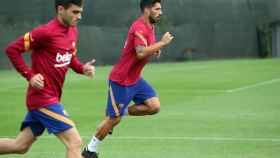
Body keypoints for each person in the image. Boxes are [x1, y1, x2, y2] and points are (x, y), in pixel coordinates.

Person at [0, 0, 95, 158]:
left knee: (20, 145)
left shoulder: (72, 31)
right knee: (75, 142)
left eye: (80, 12)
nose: (79, 16)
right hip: (42, 99)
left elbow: (69, 58)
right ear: (60, 9)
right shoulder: (45, 32)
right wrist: (29, 75)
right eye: (75, 12)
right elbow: (12, 50)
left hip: (51, 98)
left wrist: (82, 68)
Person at [82, 0, 174, 157]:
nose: (161, 12)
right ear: (147, 10)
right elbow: (140, 52)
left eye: (160, 9)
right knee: (114, 120)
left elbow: (145, 48)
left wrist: (155, 50)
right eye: (157, 9)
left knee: (154, 106)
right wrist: (161, 44)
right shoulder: (138, 27)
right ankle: (89, 150)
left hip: (135, 79)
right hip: (121, 80)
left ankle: (119, 111)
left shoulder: (150, 25)